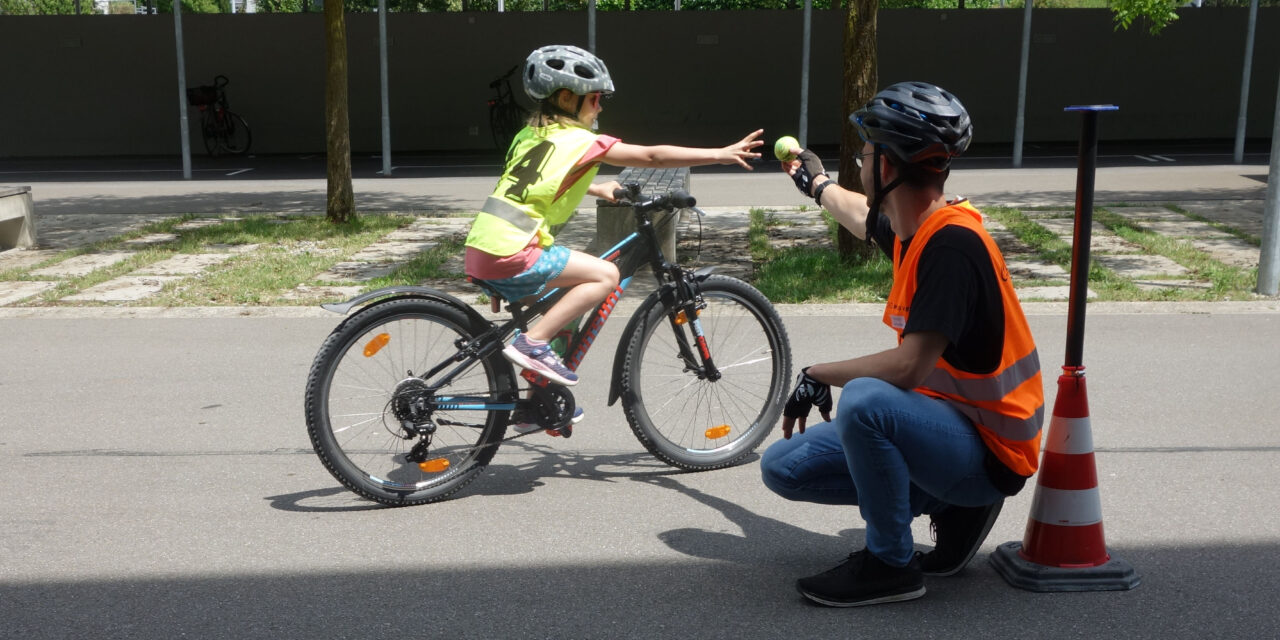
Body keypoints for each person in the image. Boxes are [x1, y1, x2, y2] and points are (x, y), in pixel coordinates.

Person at [760, 82, 1045, 607]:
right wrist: (815, 182)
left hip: (992, 452)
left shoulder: (953, 247)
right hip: (948, 424)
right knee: (783, 468)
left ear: (887, 168)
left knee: (866, 403)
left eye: (865, 155)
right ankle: (946, 505)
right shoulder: (917, 229)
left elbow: (911, 367)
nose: (860, 166)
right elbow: (860, 214)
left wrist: (819, 372)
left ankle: (891, 565)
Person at [464, 44, 763, 431]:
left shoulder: (529, 135)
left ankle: (538, 402)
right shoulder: (584, 142)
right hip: (517, 250)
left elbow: (533, 180)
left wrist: (596, 188)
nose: (601, 108)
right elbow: (652, 156)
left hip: (484, 247)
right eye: (596, 99)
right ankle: (533, 343)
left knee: (564, 305)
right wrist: (720, 154)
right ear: (568, 98)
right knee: (604, 275)